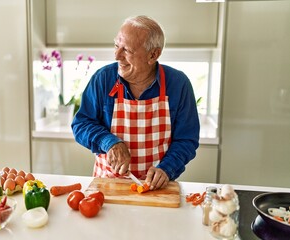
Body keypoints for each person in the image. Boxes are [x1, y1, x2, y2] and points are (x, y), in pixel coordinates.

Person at [72, 15, 200, 190]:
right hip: (108, 185)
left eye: (127, 50)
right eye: (116, 46)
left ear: (153, 54)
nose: (117, 56)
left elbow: (186, 140)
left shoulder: (178, 84)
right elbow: (81, 124)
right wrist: (109, 142)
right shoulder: (102, 79)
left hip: (156, 189)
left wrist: (166, 169)